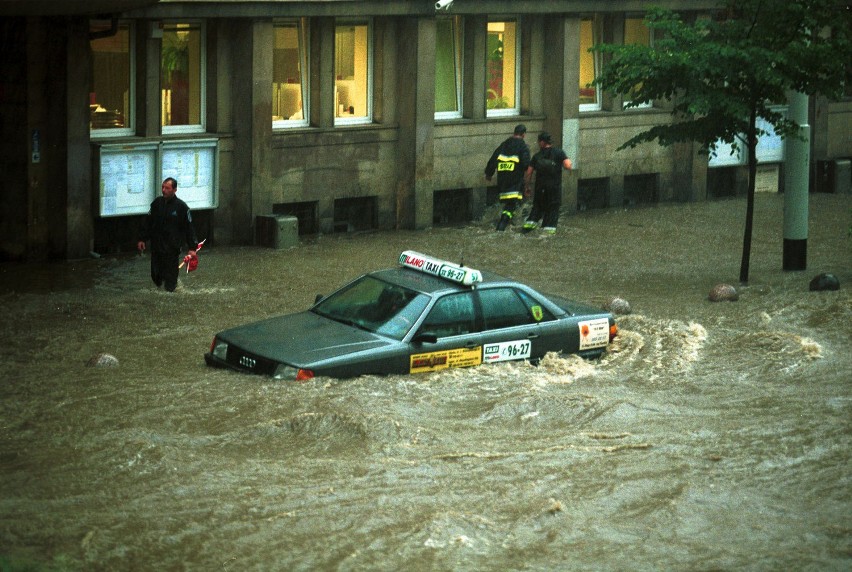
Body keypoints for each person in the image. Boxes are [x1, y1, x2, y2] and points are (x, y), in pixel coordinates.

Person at [137, 177, 198, 292]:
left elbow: (189, 228)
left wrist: (192, 248)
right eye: (163, 187)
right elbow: (148, 222)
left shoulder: (181, 207)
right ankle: (163, 288)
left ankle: (171, 293)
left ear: (174, 190)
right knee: (156, 276)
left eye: (167, 188)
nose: (164, 190)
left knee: (170, 282)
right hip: (157, 247)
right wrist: (142, 239)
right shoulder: (156, 203)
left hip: (172, 248)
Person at [522, 132, 573, 235]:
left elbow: (529, 173)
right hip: (554, 189)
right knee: (552, 210)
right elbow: (568, 165)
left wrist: (527, 187)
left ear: (541, 142)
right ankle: (547, 234)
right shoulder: (559, 152)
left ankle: (526, 230)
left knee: (536, 208)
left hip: (540, 189)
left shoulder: (537, 156)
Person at [485, 124, 531, 231]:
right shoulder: (523, 147)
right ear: (524, 135)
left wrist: (489, 174)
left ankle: (512, 222)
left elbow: (492, 160)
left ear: (514, 133)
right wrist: (527, 185)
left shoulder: (503, 145)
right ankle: (501, 227)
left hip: (502, 182)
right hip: (515, 182)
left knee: (512, 204)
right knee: (511, 206)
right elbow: (526, 166)